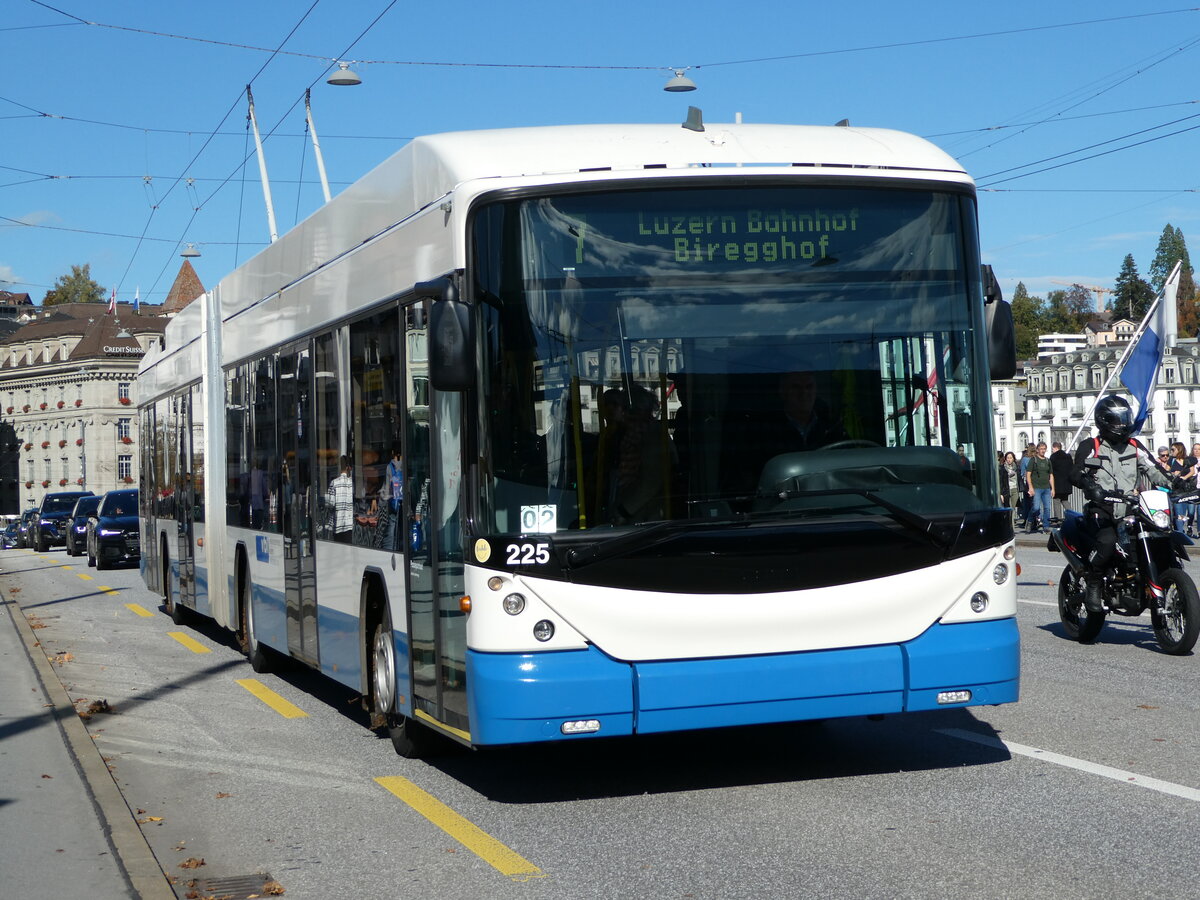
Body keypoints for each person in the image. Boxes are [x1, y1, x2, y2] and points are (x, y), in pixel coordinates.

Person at [1070, 395, 1181, 613]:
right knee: (1108, 542)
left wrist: (1177, 484)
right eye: (1117, 419)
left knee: (1160, 535)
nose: (1123, 424)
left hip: (1132, 507)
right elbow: (1075, 472)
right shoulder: (1091, 446)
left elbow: (1154, 470)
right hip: (1102, 508)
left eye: (1125, 418)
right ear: (1104, 420)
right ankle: (1093, 583)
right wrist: (1088, 485)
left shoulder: (1135, 446)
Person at [1024, 441, 1054, 534]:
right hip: (1036, 487)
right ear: (1037, 450)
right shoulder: (1033, 460)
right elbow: (1028, 474)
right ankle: (1029, 520)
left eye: (1044, 449)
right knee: (1036, 507)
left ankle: (1046, 526)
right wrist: (1030, 487)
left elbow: (1051, 475)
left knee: (1047, 508)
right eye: (1041, 449)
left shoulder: (1048, 461)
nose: (1042, 451)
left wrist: (1053, 488)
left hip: (1046, 488)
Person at [324, 455, 354, 544]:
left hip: (338, 524)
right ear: (348, 467)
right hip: (349, 524)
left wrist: (325, 496)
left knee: (338, 550)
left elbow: (330, 504)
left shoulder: (334, 483)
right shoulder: (351, 482)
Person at [1168, 442, 1196, 534]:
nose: (1171, 451)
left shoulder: (1187, 460)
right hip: (1176, 491)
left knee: (1188, 513)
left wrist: (1184, 477)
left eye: (1173, 449)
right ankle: (1180, 532)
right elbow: (1166, 472)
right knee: (1178, 513)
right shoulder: (1171, 460)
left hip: (1187, 490)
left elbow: (1192, 471)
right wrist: (1173, 474)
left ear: (1179, 450)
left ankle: (1186, 529)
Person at [1049, 441, 1074, 524]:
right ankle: (1072, 517)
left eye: (1052, 448)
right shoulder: (1068, 456)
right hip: (1067, 483)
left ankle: (1058, 520)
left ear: (1055, 448)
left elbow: (1050, 471)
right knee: (1065, 500)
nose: (1052, 450)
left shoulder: (1053, 457)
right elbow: (1071, 468)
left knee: (1056, 501)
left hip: (1057, 483)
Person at [998, 451, 1020, 526]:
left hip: (1015, 489)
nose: (1009, 459)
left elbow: (1019, 479)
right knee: (1008, 508)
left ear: (1013, 458)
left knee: (1013, 508)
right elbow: (1001, 481)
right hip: (1007, 490)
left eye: (1011, 458)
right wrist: (1001, 493)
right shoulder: (1003, 468)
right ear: (1005, 459)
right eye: (1008, 458)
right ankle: (1010, 525)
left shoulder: (1016, 467)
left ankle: (1011, 524)